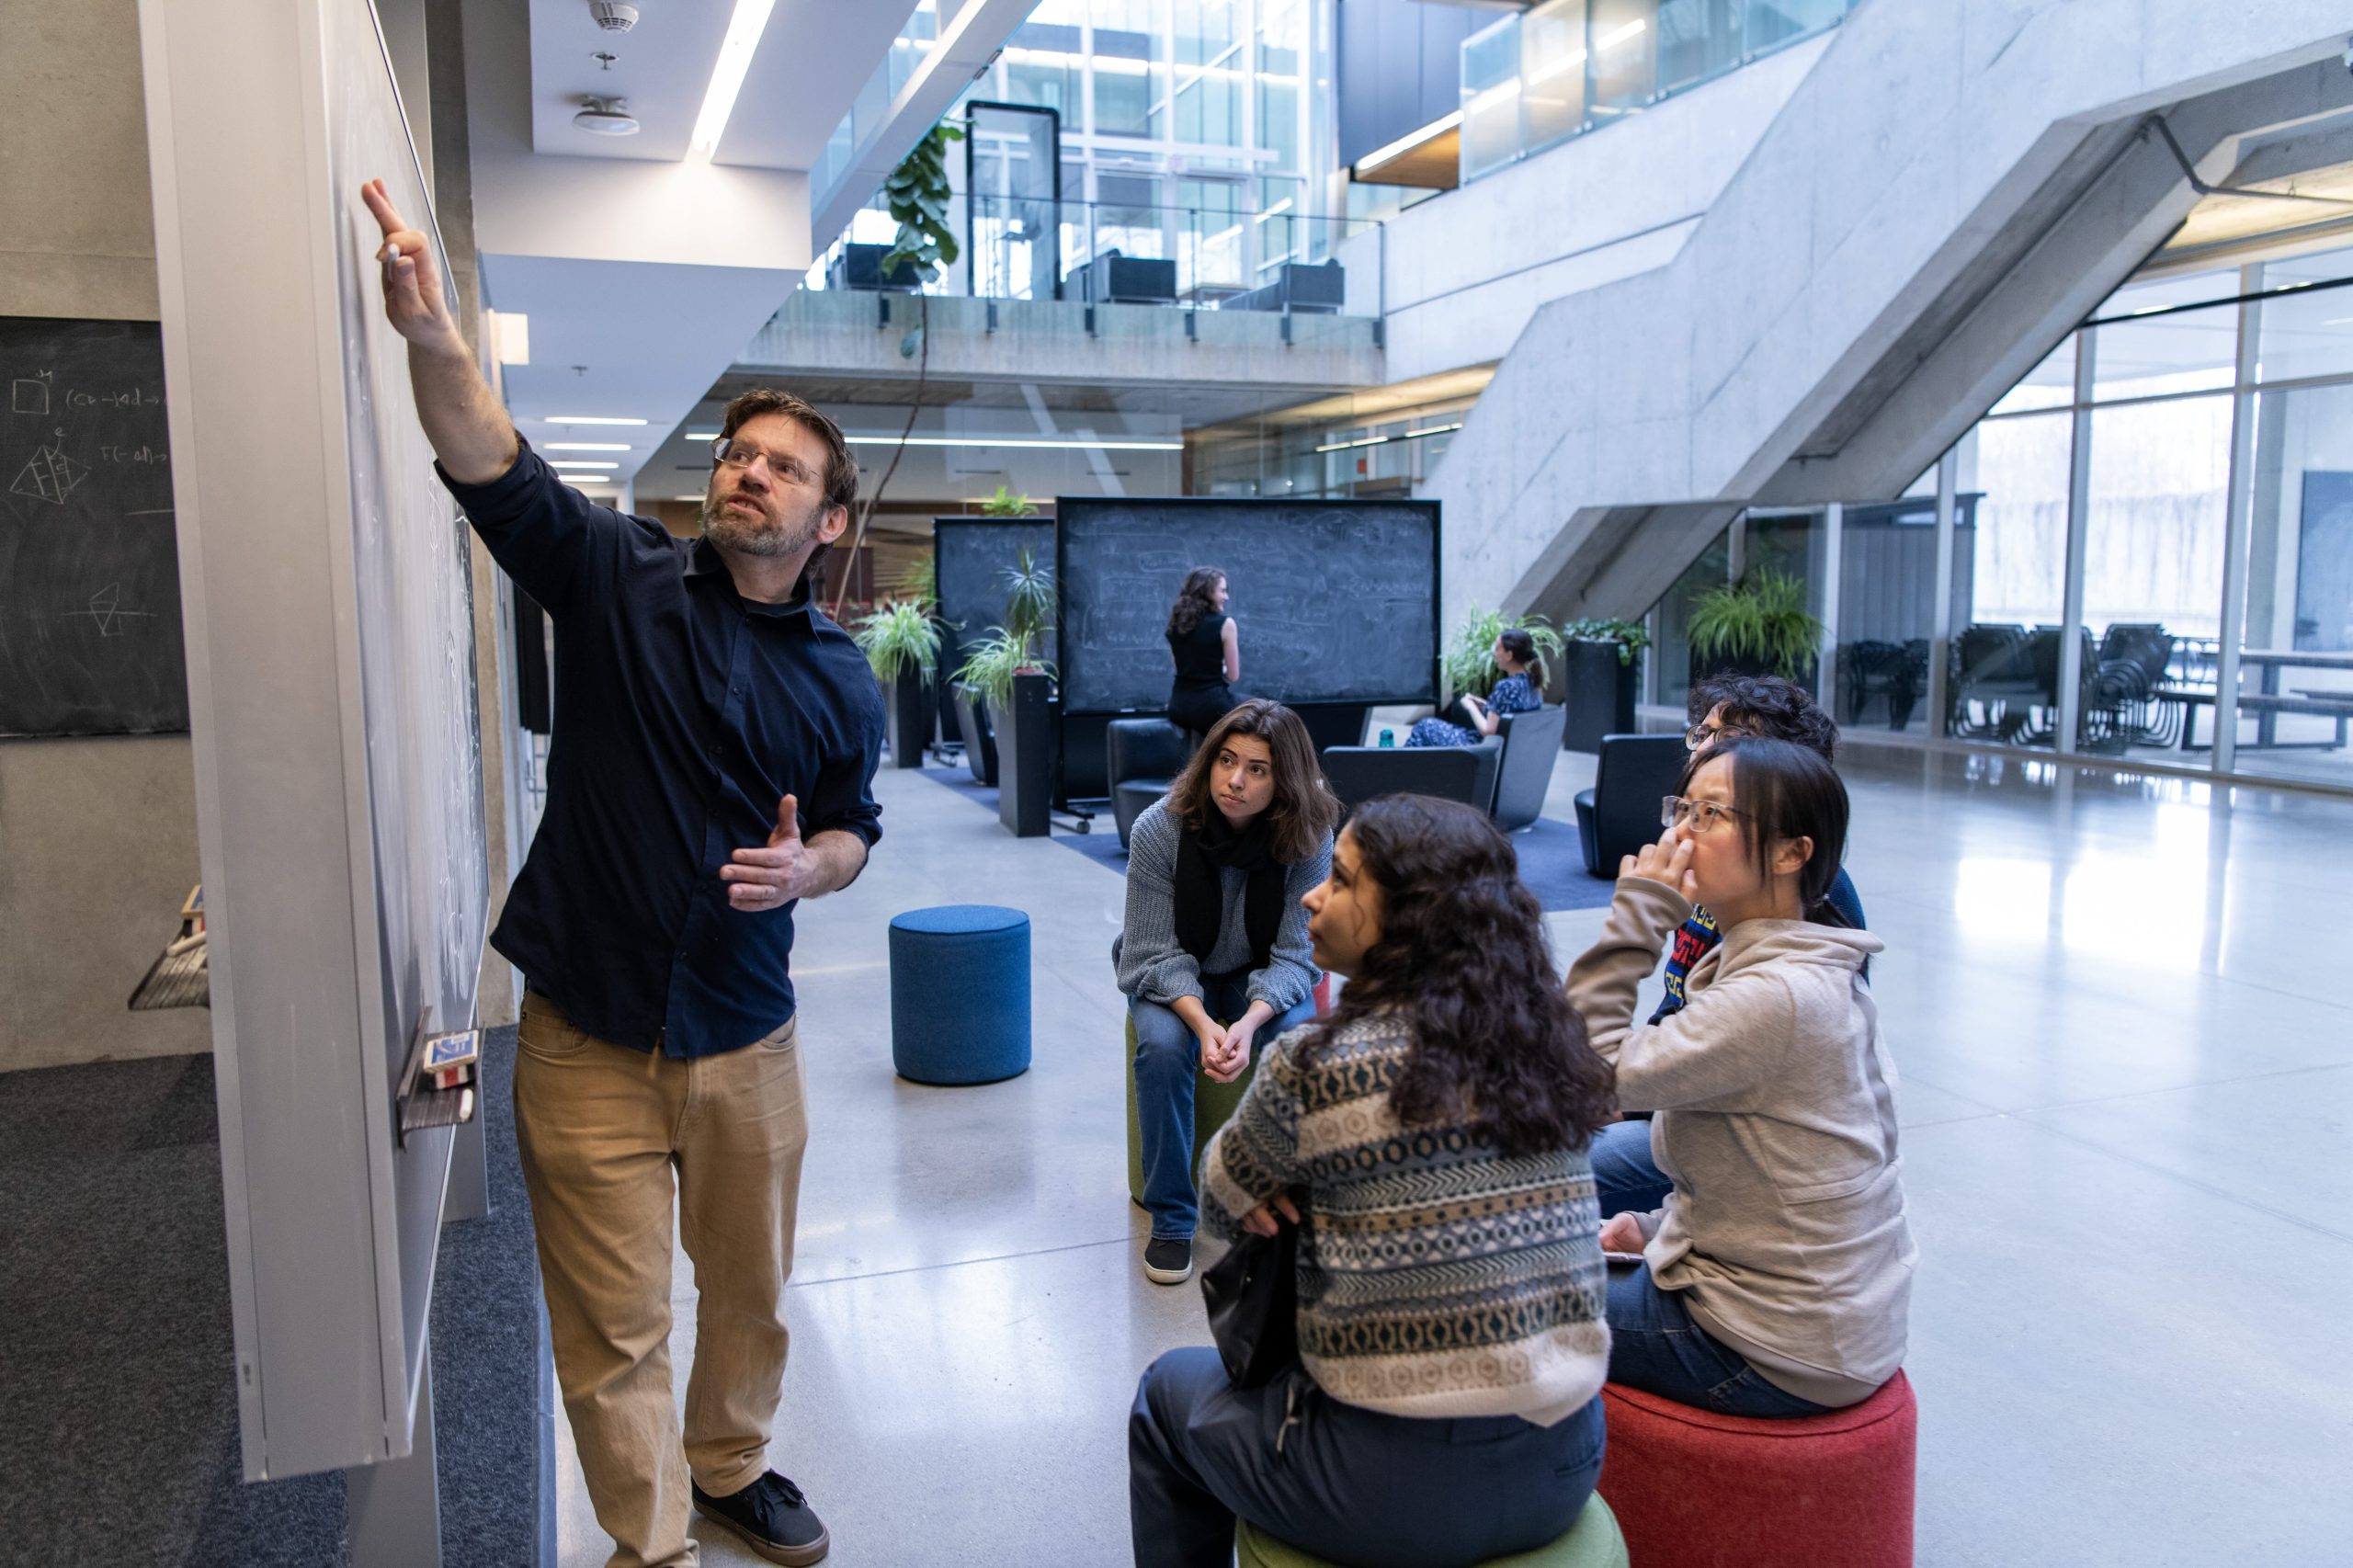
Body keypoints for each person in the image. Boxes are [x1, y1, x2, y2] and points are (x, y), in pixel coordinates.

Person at [367, 181, 876, 1567]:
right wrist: (430, 334)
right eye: (737, 450)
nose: (747, 469)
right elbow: (497, 466)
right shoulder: (618, 576)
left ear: (827, 520)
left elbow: (853, 829)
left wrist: (809, 866)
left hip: (746, 1032)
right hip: (585, 1028)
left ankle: (731, 1467)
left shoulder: (843, 679)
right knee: (612, 1321)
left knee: (754, 1293)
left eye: (783, 464)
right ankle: (647, 1541)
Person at [1130, 796, 1617, 1568]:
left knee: (1163, 1397)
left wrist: (1293, 1182)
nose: (1317, 894)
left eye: (1346, 882)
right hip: (1565, 1459)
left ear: (1410, 919)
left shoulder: (1317, 1066)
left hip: (1384, 1484)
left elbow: (1221, 1190)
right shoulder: (1547, 1048)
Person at [1567, 735, 1915, 1418]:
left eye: (1711, 815)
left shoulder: (1776, 996)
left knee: (1482, 1288)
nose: (1679, 833)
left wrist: (1638, 915)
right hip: (1820, 1319)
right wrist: (1653, 1223)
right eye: (1683, 809)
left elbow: (1582, 1073)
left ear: (1793, 853)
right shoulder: (1791, 963)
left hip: (1766, 1344)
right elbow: (1769, 1175)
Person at [1591, 672, 1868, 1217]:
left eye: (1733, 739)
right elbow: (1677, 1017)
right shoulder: (1715, 875)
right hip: (1684, 1096)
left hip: (1724, 1132)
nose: (1707, 750)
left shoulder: (1808, 901)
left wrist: (1620, 1095)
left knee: (1539, 1165)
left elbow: (1737, 1050)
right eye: (1704, 733)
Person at [1115, 699, 1337, 1286]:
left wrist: (1246, 1023)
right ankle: (1173, 1216)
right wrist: (1201, 1022)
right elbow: (1149, 951)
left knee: (1294, 1044)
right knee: (1162, 1048)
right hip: (1170, 968)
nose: (1234, 781)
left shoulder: (1307, 839)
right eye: (1226, 760)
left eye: (1258, 769)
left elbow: (1296, 954)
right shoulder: (1159, 828)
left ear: (1284, 780)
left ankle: (1282, 1205)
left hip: (1257, 974)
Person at [1406, 627, 1545, 746]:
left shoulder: (1506, 687)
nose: (1494, 653)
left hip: (1480, 748)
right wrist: (1485, 706)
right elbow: (1508, 714)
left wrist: (1470, 706)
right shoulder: (1533, 683)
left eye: (1497, 648)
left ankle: (1398, 767)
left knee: (1425, 726)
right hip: (1505, 748)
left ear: (1509, 655)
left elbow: (1488, 731)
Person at [1165, 565, 1246, 735]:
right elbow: (1233, 676)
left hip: (1179, 707)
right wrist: (1221, 668)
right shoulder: (1226, 624)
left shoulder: (1176, 623)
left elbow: (1180, 668)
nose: (1227, 596)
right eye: (1223, 591)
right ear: (1207, 592)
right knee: (1261, 709)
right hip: (1212, 708)